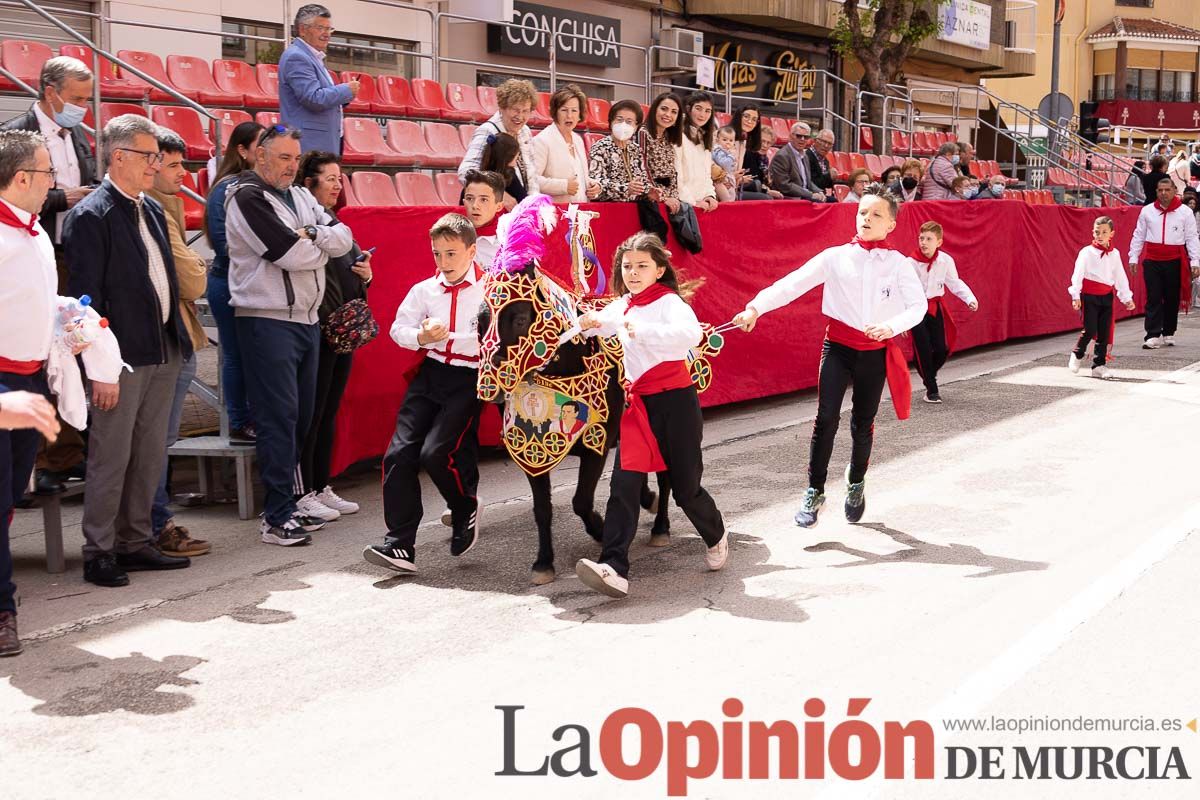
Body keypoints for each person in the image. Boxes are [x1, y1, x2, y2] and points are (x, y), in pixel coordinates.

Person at [733, 185, 926, 528]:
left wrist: (892, 325)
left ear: (891, 225)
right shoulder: (835, 257)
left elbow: (918, 306)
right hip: (837, 347)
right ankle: (815, 490)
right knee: (826, 420)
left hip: (873, 352)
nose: (867, 218)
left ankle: (855, 483)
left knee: (861, 426)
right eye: (863, 212)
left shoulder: (898, 265)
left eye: (876, 214)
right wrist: (755, 308)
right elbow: (792, 284)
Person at [64, 114, 193, 587]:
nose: (156, 165)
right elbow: (84, 302)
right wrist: (98, 367)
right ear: (119, 157)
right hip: (118, 360)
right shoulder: (91, 216)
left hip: (162, 348)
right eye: (149, 156)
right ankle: (99, 551)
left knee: (148, 454)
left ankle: (135, 542)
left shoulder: (153, 209)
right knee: (111, 457)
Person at [575, 232, 727, 598]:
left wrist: (642, 330)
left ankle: (716, 534)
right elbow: (600, 320)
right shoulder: (621, 305)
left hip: (676, 402)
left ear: (660, 269)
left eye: (642, 266)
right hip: (638, 405)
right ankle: (614, 567)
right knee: (623, 486)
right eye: (627, 266)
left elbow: (689, 335)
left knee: (686, 490)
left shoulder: (669, 302)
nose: (633, 272)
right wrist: (583, 323)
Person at [224, 124, 354, 545]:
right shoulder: (246, 197)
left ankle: (293, 502)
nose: (291, 166)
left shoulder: (298, 194)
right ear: (259, 156)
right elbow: (287, 253)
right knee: (279, 419)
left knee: (302, 417)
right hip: (267, 320)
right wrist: (320, 245)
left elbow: (344, 237)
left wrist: (314, 234)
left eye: (295, 159)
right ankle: (277, 514)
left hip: (307, 319)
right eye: (283, 157)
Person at [363, 213, 485, 575]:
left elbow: (491, 339)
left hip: (469, 377)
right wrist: (420, 337)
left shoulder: (490, 289)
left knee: (438, 453)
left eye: (451, 254)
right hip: (429, 374)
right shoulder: (424, 290)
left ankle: (464, 506)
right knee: (399, 454)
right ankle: (400, 543)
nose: (443, 262)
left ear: (472, 251)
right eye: (437, 254)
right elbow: (399, 328)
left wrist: (446, 336)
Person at [2, 55, 97, 494]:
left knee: (66, 352)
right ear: (50, 91)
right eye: (76, 98)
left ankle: (65, 452)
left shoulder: (77, 134)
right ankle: (45, 460)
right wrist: (63, 198)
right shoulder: (17, 133)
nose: (83, 108)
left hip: (63, 250)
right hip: (38, 244)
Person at [0, 130, 70, 655]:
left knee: (9, 498)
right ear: (22, 178)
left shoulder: (38, 235)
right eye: (48, 172)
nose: (55, 183)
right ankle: (4, 608)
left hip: (31, 377)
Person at [292, 151, 370, 523]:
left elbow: (352, 266)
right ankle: (303, 491)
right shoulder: (306, 221)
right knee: (312, 413)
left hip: (343, 329)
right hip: (318, 327)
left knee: (328, 412)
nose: (338, 185)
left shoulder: (335, 221)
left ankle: (321, 485)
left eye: (341, 178)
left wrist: (366, 273)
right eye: (331, 178)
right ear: (310, 183)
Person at [145, 128, 211, 558]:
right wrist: (195, 267)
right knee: (153, 444)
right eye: (172, 165)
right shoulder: (152, 211)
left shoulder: (165, 207)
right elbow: (190, 277)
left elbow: (191, 274)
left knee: (161, 442)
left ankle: (157, 521)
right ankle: (154, 525)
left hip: (179, 333)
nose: (182, 173)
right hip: (162, 339)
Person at [204, 121, 263, 444]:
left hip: (246, 280)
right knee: (236, 353)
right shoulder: (226, 188)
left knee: (248, 353)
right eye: (259, 145)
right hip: (228, 281)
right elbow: (224, 242)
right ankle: (240, 421)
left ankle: (251, 416)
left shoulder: (255, 184)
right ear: (242, 150)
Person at [908, 221, 979, 403]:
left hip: (935, 307)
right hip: (916, 309)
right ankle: (932, 390)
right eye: (921, 238)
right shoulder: (910, 262)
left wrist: (969, 298)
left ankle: (927, 372)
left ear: (938, 242)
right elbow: (903, 291)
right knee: (923, 349)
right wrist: (901, 320)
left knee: (941, 348)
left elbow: (954, 282)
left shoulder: (945, 261)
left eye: (929, 239)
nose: (923, 242)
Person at [278, 4, 360, 156]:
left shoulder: (311, 57)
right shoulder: (297, 57)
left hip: (320, 142)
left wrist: (344, 96)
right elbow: (313, 98)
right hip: (309, 144)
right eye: (321, 28)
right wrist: (346, 90)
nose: (327, 34)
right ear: (303, 30)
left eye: (329, 29)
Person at [1128, 177, 1200, 349]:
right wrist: (1133, 257)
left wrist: (1195, 261)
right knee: (1153, 296)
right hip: (1152, 259)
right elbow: (1138, 235)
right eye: (1160, 190)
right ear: (1156, 192)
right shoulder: (1147, 211)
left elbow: (1191, 237)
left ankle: (1168, 331)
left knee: (1171, 297)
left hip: (1175, 260)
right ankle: (1152, 334)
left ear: (1175, 190)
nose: (1163, 193)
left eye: (1167, 190)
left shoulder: (1185, 212)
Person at [1068, 216, 1134, 380]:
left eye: (1104, 232)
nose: (1100, 235)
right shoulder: (1086, 252)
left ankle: (1099, 365)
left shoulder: (1115, 254)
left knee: (1104, 332)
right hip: (1089, 296)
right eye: (1097, 232)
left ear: (1111, 234)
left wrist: (1126, 296)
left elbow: (1119, 275)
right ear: (1093, 232)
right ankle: (1077, 353)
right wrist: (1075, 294)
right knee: (1090, 329)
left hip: (1106, 296)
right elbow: (1078, 274)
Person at [459, 78, 537, 205]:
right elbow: (466, 172)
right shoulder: (487, 131)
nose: (520, 116)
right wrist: (498, 195)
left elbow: (531, 174)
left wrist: (533, 205)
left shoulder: (525, 131)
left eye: (525, 111)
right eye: (515, 110)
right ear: (502, 108)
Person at [531, 83, 596, 204]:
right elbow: (532, 180)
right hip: (554, 212)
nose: (569, 115)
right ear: (555, 112)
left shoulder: (578, 139)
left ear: (580, 114)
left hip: (581, 210)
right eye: (564, 110)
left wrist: (593, 185)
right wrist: (563, 186)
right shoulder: (542, 140)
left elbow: (578, 176)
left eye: (574, 110)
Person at [587, 99, 649, 202]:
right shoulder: (600, 147)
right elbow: (596, 183)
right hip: (609, 208)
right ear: (611, 122)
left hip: (634, 209)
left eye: (629, 122)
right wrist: (625, 188)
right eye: (619, 120)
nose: (623, 125)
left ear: (636, 126)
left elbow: (643, 181)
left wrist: (649, 190)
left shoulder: (636, 149)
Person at [675, 91, 719, 212]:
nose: (702, 115)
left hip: (702, 204)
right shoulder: (678, 135)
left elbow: (706, 174)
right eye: (698, 109)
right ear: (689, 109)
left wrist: (710, 195)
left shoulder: (705, 138)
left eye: (707, 111)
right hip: (684, 205)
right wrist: (693, 201)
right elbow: (676, 174)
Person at [642, 92, 683, 214]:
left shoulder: (667, 137)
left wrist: (674, 197)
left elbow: (672, 173)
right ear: (655, 110)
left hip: (670, 197)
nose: (668, 115)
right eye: (664, 109)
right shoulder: (643, 133)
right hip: (652, 198)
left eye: (674, 112)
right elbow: (643, 169)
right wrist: (664, 197)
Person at [770, 122, 822, 201]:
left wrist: (819, 192)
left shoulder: (805, 156)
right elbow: (784, 185)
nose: (802, 139)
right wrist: (810, 195)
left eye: (806, 137)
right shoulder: (782, 156)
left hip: (804, 196)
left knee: (831, 200)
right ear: (790, 136)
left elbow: (808, 182)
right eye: (799, 136)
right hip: (790, 198)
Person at [476, 132, 526, 209]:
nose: (516, 162)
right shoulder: (509, 175)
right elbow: (524, 200)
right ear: (508, 158)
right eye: (516, 157)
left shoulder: (478, 178)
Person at [806, 128, 837, 202]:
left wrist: (832, 177)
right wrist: (829, 175)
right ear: (816, 140)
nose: (826, 146)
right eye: (824, 142)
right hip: (810, 195)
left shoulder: (825, 160)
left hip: (821, 195)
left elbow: (826, 185)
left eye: (829, 144)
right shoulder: (807, 156)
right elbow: (812, 183)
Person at [711, 125, 740, 202]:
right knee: (727, 200)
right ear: (717, 140)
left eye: (731, 140)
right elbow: (723, 164)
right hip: (719, 179)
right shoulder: (718, 150)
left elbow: (731, 167)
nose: (728, 142)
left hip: (728, 177)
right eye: (724, 139)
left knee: (732, 197)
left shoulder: (727, 151)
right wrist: (732, 156)